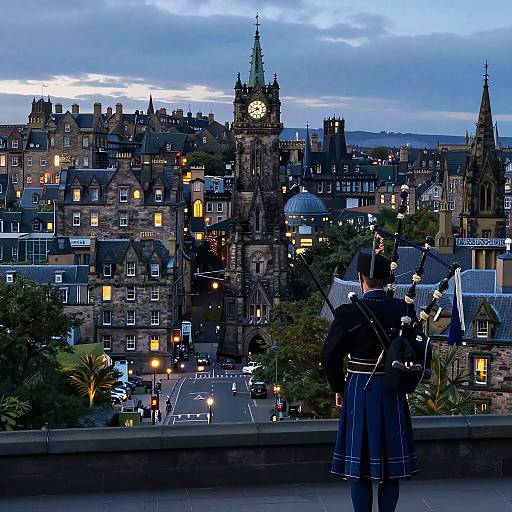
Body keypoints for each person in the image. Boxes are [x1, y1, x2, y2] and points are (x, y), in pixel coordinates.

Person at [321, 251, 418, 512]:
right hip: (392, 389)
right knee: (390, 469)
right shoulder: (403, 310)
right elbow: (415, 351)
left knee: (360, 469)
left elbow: (329, 356)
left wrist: (338, 388)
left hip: (358, 389)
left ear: (361, 279)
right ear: (387, 279)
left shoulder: (347, 314)